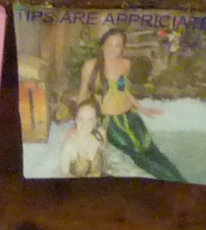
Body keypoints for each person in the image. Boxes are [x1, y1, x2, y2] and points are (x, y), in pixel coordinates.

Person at [75, 27, 185, 182]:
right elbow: (83, 94)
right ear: (103, 45)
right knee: (139, 157)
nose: (113, 49)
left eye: (118, 45)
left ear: (123, 47)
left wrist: (144, 109)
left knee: (153, 151)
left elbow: (124, 91)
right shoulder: (91, 65)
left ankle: (181, 180)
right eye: (110, 44)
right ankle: (172, 183)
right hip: (112, 123)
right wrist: (77, 125)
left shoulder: (125, 64)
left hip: (132, 118)